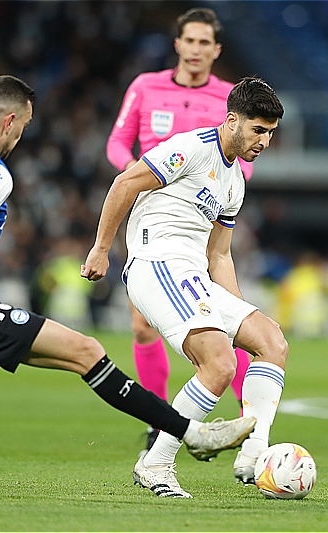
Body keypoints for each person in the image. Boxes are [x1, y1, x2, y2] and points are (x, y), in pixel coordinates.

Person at [0, 75, 256, 498]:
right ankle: (191, 433)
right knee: (87, 352)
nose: (21, 135)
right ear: (8, 121)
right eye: (23, 125)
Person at [83, 76, 286, 498]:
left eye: (270, 133)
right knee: (219, 364)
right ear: (232, 121)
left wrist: (239, 313)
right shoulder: (191, 148)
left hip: (192, 273)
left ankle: (255, 452)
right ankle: (156, 463)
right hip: (156, 264)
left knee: (270, 341)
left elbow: (220, 256)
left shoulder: (235, 182)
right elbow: (124, 183)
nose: (264, 141)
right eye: (258, 130)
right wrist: (101, 249)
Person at [106, 7, 255, 456]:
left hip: (208, 217)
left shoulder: (229, 97)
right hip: (152, 214)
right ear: (177, 44)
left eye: (204, 43)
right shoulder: (145, 86)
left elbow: (246, 154)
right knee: (143, 326)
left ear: (216, 50)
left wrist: (233, 181)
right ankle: (160, 424)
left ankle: (249, 418)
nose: (195, 50)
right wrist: (137, 172)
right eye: (188, 41)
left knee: (230, 313)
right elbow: (117, 142)